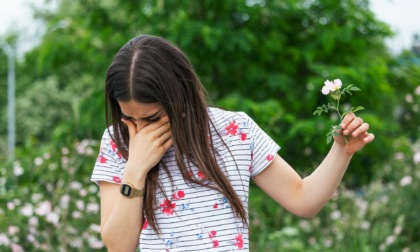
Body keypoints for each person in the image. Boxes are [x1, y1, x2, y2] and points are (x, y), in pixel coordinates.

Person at [91, 34, 374, 251]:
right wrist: (135, 170)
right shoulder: (118, 142)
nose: (139, 130)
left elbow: (303, 200)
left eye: (152, 118)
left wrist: (341, 151)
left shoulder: (234, 129)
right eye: (130, 118)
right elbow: (118, 246)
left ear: (179, 95)